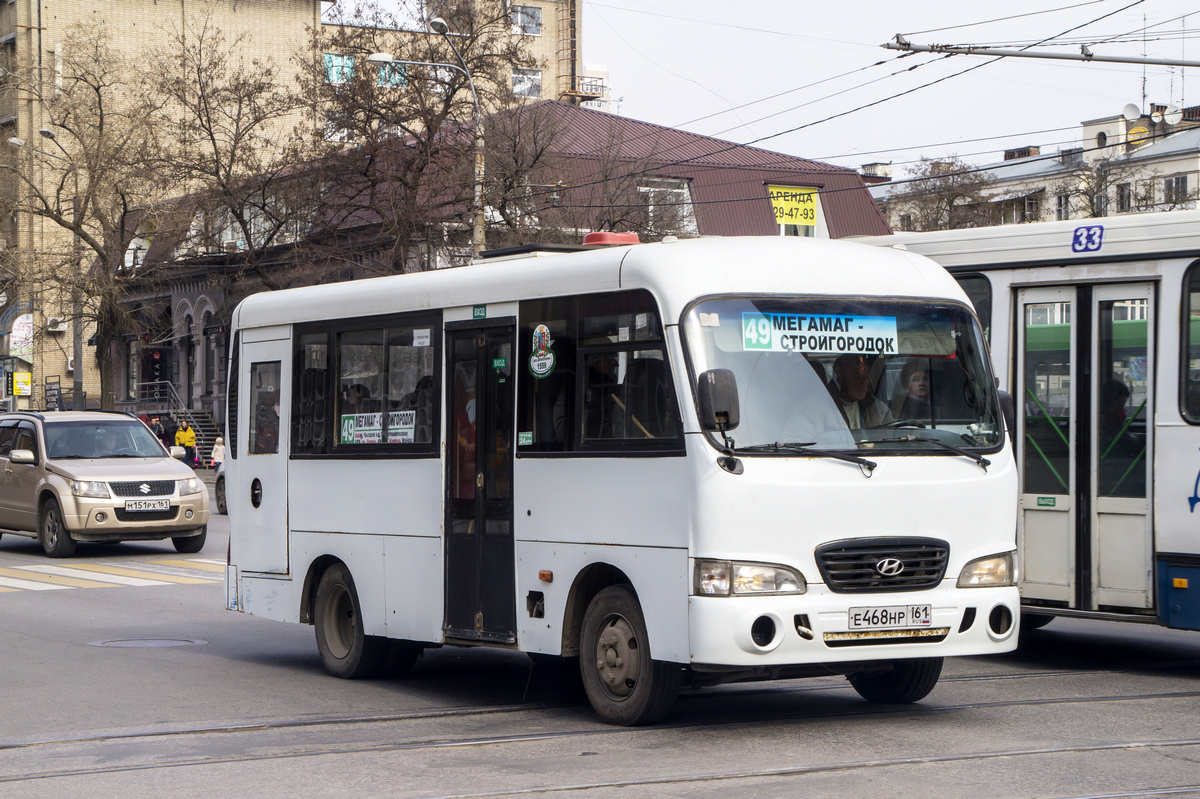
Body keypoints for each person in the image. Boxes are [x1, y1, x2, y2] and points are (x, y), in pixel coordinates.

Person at [829, 353, 893, 429]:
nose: (863, 381)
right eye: (856, 375)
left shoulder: (877, 407)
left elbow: (894, 432)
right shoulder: (824, 407)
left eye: (866, 375)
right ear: (840, 379)